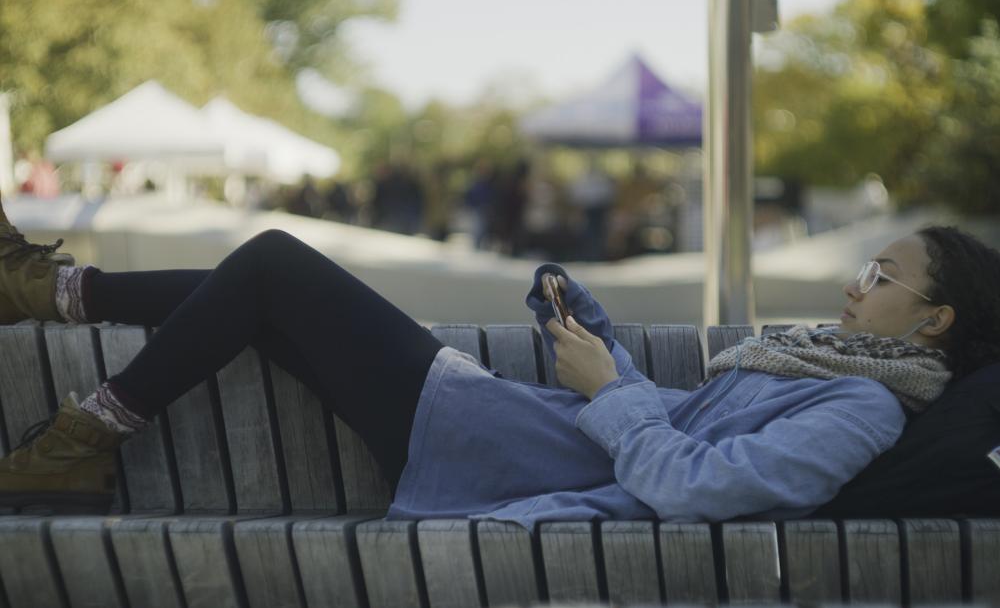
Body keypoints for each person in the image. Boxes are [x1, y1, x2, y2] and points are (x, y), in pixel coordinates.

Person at [0, 193, 997, 526]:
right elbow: (666, 427)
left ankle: (79, 426)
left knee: (272, 265)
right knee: (262, 296)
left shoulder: (865, 413)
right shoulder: (823, 367)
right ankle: (55, 301)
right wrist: (595, 333)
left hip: (508, 452)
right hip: (518, 431)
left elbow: (694, 487)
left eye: (882, 272)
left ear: (933, 321)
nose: (856, 282)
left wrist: (606, 391)